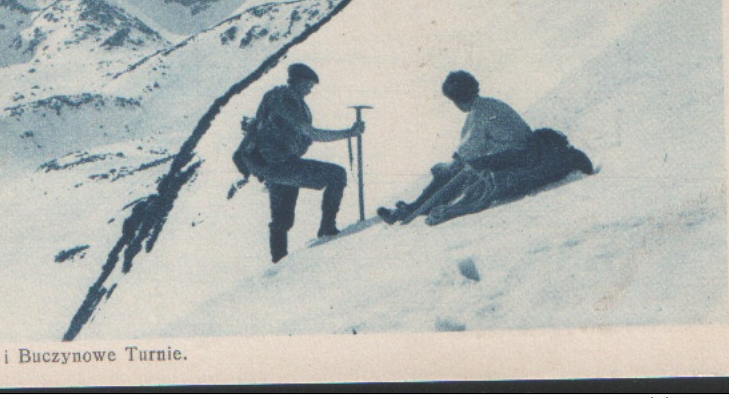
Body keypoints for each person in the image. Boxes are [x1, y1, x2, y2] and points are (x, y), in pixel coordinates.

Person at [245, 63, 364, 264]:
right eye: (309, 84)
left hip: (271, 166)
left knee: (281, 220)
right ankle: (327, 227)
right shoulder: (286, 101)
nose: (310, 89)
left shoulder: (277, 98)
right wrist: (348, 133)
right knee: (337, 175)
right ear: (298, 82)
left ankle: (278, 264)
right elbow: (311, 132)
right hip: (282, 165)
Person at [377, 70, 531, 225]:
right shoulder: (489, 104)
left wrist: (452, 165)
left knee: (454, 171)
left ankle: (415, 208)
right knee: (455, 169)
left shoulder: (479, 112)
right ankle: (413, 207)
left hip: (514, 154)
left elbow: (469, 148)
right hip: (516, 150)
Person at [421, 128, 595, 225]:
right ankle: (446, 208)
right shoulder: (553, 155)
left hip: (510, 179)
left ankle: (447, 210)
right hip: (510, 175)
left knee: (486, 189)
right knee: (484, 183)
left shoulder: (561, 159)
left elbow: (530, 172)